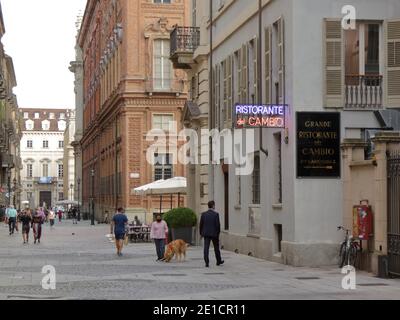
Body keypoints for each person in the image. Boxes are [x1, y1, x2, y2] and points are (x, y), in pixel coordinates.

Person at [200, 201, 224, 268]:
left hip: (206, 233)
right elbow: (218, 225)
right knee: (216, 248)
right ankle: (218, 261)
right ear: (213, 206)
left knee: (206, 248)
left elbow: (201, 225)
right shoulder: (216, 214)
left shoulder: (203, 214)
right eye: (214, 205)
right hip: (214, 234)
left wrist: (201, 233)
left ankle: (206, 262)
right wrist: (218, 233)